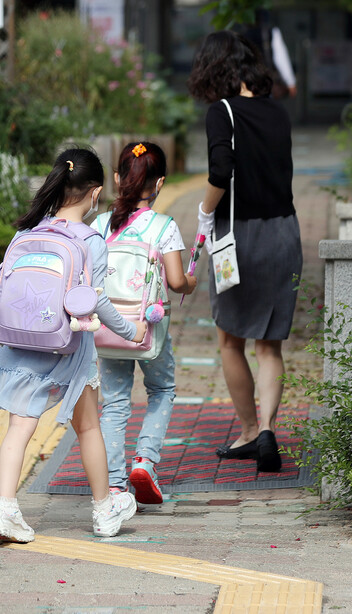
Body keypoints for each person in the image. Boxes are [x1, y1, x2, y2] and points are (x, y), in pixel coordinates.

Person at [0, 148, 146, 544]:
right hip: (70, 348)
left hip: (19, 342)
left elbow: (5, 290)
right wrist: (130, 330)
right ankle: (103, 511)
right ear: (95, 193)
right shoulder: (91, 239)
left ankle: (6, 508)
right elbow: (95, 300)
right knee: (88, 427)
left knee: (19, 426)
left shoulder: (25, 232)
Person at [187, 31, 302, 473]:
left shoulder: (223, 112)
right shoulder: (278, 113)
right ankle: (271, 429)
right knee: (269, 345)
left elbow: (221, 171)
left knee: (230, 339)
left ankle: (251, 431)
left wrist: (202, 212)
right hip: (284, 234)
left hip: (239, 238)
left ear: (214, 69)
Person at [91, 141, 197, 505]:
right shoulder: (164, 226)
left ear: (118, 179)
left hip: (107, 326)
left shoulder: (101, 224)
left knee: (115, 402)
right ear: (161, 183)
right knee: (162, 390)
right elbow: (177, 281)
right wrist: (192, 282)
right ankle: (146, 460)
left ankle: (116, 483)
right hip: (150, 329)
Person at [241, 9, 297, 99]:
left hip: (246, 82)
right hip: (264, 80)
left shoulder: (241, 34)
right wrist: (290, 82)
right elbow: (281, 58)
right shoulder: (270, 32)